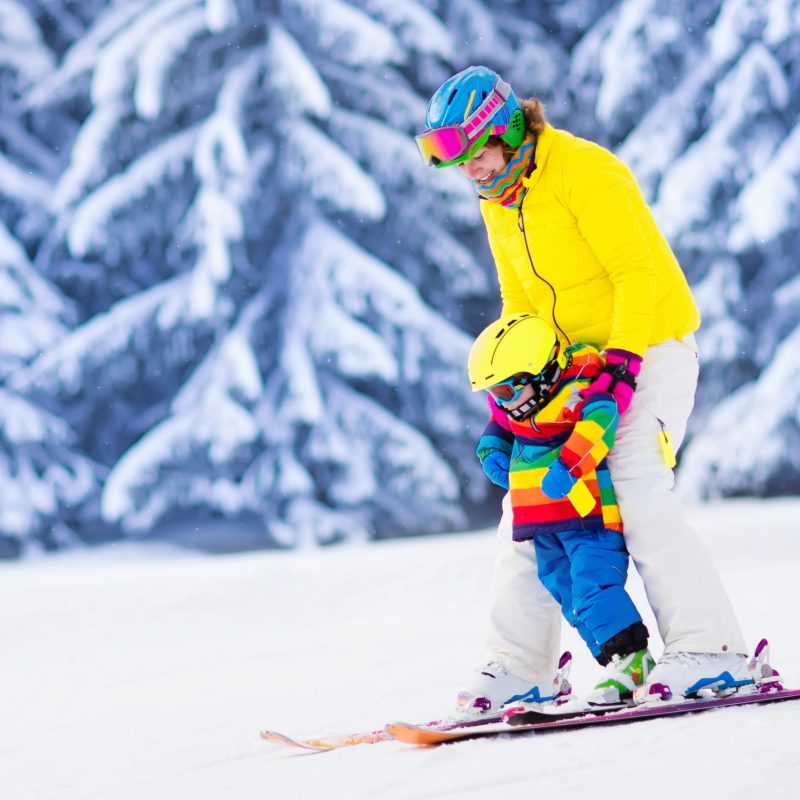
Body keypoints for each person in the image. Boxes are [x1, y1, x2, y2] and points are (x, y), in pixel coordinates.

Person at [415, 64, 758, 710]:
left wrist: (624, 365)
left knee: (634, 485)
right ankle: (519, 665)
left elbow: (634, 273)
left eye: (473, 152)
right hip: (568, 374)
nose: (470, 172)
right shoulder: (499, 201)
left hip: (649, 349)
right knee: (528, 506)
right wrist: (512, 399)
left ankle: (712, 650)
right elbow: (519, 302)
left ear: (507, 130)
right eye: (452, 160)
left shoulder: (585, 171)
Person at [465, 312, 656, 710]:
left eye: (502, 391)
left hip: (586, 520)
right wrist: (491, 450)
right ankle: (615, 662)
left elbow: (601, 421)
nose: (498, 402)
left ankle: (634, 659)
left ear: (534, 375)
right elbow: (498, 428)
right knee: (568, 595)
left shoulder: (578, 390)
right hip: (542, 524)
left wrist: (570, 464)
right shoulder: (519, 407)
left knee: (593, 589)